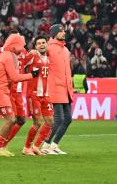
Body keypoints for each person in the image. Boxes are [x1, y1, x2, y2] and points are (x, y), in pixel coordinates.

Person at [0, 33, 37, 157]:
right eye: (21, 46)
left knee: (15, 119)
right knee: (11, 119)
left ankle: (1, 147)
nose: (23, 48)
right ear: (14, 46)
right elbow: (14, 77)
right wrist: (32, 75)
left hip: (4, 90)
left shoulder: (12, 54)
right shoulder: (7, 55)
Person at [22, 35, 54, 156]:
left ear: (47, 44)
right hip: (34, 94)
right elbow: (21, 64)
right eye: (39, 43)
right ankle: (26, 147)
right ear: (35, 46)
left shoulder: (49, 58)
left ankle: (36, 146)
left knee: (50, 121)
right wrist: (29, 54)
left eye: (43, 42)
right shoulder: (33, 56)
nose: (41, 45)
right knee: (37, 122)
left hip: (45, 95)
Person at [46, 24, 73, 155]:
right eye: (60, 31)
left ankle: (54, 145)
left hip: (66, 88)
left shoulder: (66, 50)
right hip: (55, 87)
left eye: (64, 31)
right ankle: (45, 145)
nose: (63, 33)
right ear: (54, 33)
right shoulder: (49, 48)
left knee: (68, 119)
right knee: (59, 119)